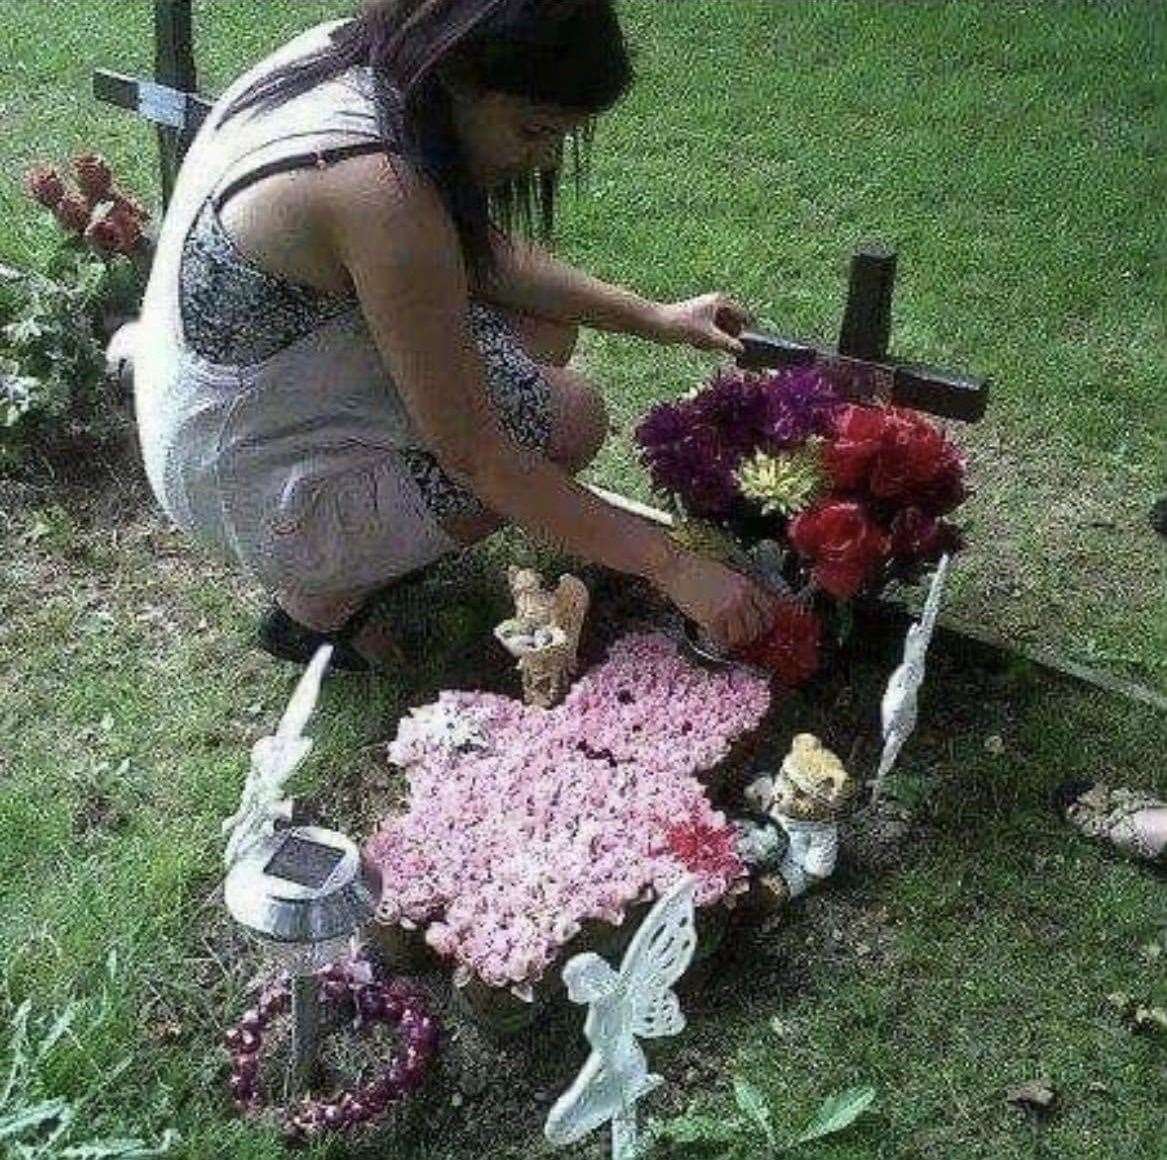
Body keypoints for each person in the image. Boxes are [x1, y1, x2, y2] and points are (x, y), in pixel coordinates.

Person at [132, 0, 781, 670]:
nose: (541, 159)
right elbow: (480, 456)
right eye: (532, 130)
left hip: (238, 405)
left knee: (545, 329)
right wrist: (670, 565)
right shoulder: (378, 190)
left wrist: (653, 316)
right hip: (247, 486)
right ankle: (319, 605)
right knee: (571, 416)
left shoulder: (363, 54)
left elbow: (470, 256)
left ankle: (363, 540)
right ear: (459, 76)